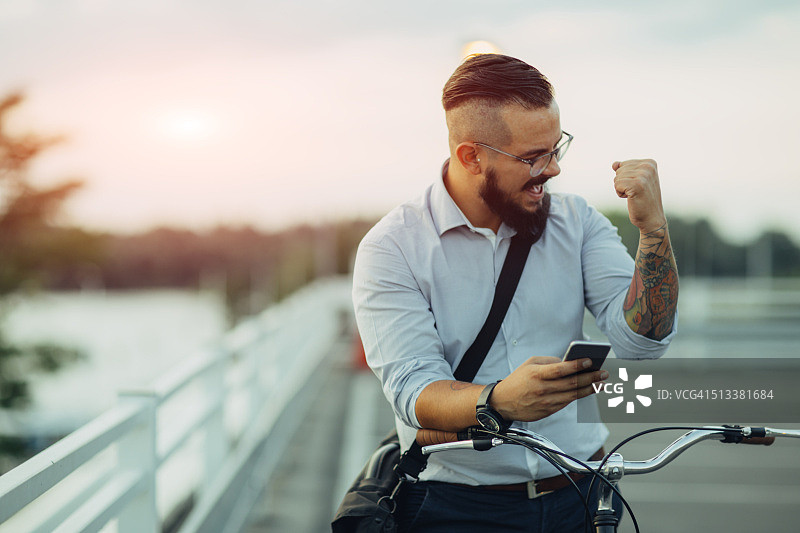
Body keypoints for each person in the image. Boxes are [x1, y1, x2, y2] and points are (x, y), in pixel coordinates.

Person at [351, 53, 678, 532]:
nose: (553, 170)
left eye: (556, 148)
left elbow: (642, 340)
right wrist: (500, 399)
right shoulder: (392, 248)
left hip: (581, 491)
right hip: (456, 508)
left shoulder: (577, 221)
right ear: (471, 156)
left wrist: (653, 232)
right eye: (532, 157)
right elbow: (413, 391)